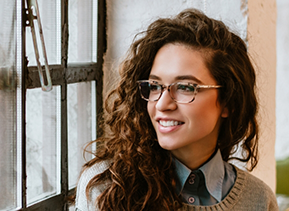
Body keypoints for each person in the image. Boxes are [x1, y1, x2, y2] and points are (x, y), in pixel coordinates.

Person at [75, 8, 278, 211]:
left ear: (228, 102)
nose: (163, 104)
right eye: (155, 86)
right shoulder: (106, 187)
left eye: (185, 87)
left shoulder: (259, 200)